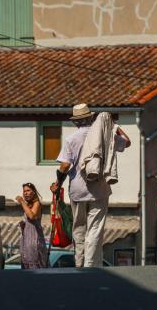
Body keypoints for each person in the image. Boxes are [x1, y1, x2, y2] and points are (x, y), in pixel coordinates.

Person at [50, 103, 131, 267]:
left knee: (78, 226)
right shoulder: (104, 135)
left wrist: (58, 183)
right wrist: (114, 126)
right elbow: (127, 142)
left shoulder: (71, 139)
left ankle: (79, 261)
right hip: (99, 189)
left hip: (78, 189)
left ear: (75, 122)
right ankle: (91, 264)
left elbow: (65, 166)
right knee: (95, 228)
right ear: (91, 118)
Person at [16, 183, 48, 269]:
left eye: (28, 190)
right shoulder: (28, 205)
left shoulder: (37, 203)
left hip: (34, 240)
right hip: (26, 240)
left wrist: (22, 202)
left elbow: (32, 216)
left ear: (33, 192)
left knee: (35, 265)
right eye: (24, 191)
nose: (25, 193)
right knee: (26, 266)